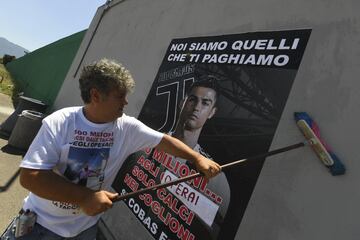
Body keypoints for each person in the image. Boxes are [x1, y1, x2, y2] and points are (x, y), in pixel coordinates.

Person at [16, 58, 221, 239]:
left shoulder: (126, 127)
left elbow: (164, 141)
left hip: (84, 231)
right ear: (96, 96)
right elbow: (30, 176)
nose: (126, 101)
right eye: (119, 96)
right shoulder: (59, 123)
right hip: (39, 227)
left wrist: (196, 157)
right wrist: (85, 197)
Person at [171, 76, 231, 239]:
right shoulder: (150, 142)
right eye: (192, 100)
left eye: (205, 103)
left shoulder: (218, 180)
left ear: (212, 112)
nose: (197, 107)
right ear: (183, 102)